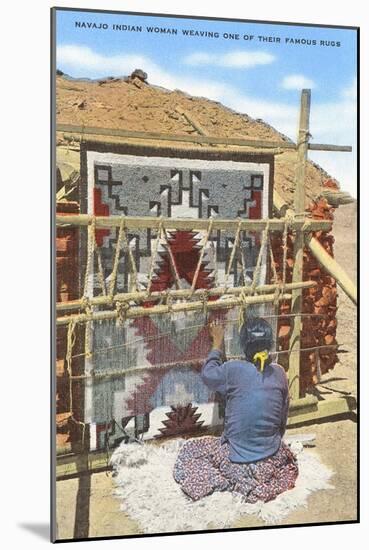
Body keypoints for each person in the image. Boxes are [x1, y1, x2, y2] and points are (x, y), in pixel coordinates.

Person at [173, 317, 299, 502]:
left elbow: (208, 374)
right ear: (269, 344)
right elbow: (282, 419)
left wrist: (217, 343)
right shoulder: (279, 372)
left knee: (191, 451)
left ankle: (240, 475)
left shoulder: (232, 370)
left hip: (237, 462)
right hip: (271, 458)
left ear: (242, 345)